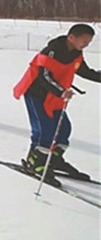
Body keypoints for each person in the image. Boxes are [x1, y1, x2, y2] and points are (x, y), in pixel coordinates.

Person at [13, 23, 101, 184]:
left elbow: (84, 71)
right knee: (44, 130)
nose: (86, 45)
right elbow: (44, 76)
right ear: (71, 37)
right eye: (84, 41)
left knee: (64, 129)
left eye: (88, 42)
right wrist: (61, 91)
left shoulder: (76, 53)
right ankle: (35, 162)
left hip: (55, 96)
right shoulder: (51, 52)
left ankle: (53, 160)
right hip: (37, 93)